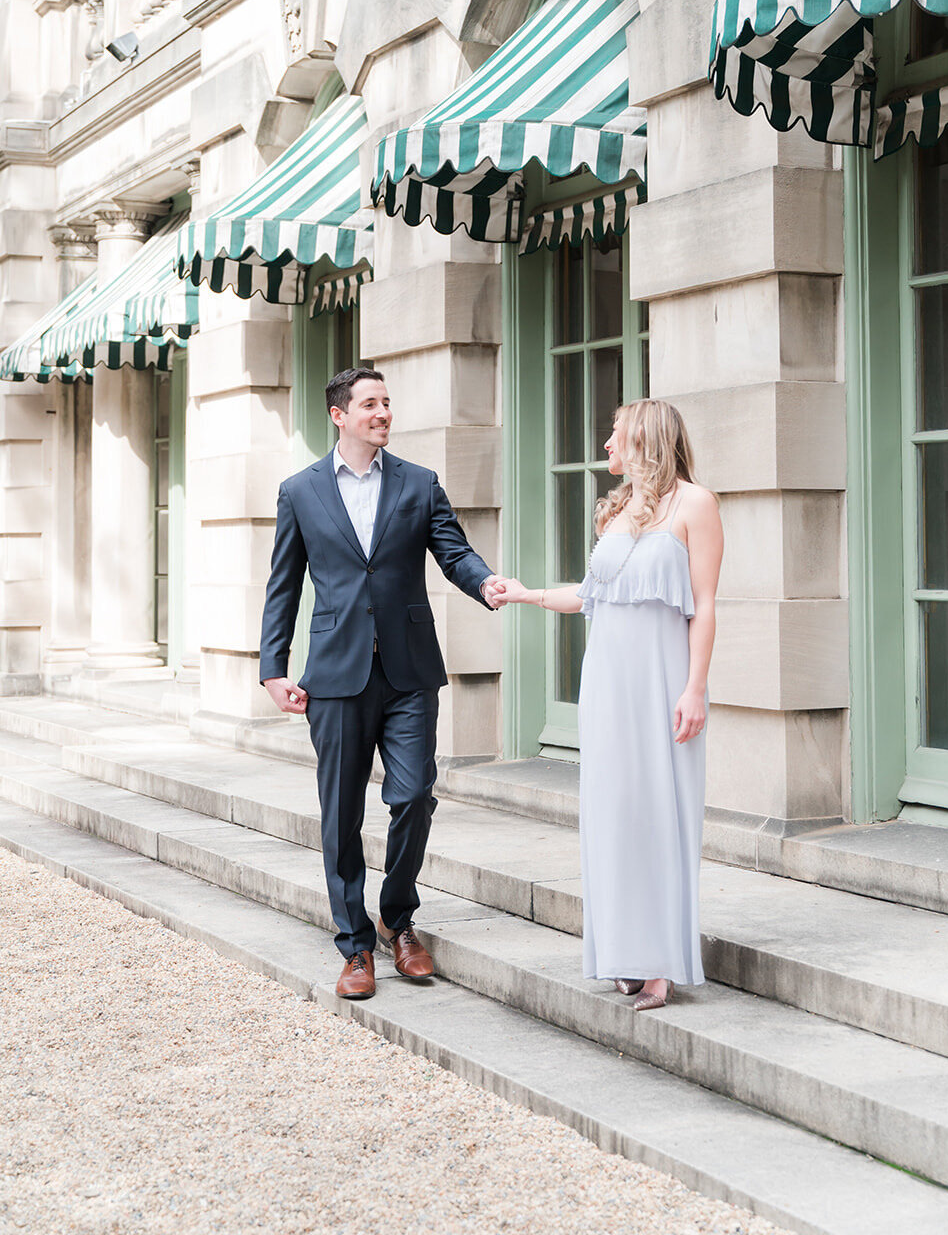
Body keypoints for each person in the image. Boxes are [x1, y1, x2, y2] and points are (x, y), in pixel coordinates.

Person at [259, 366, 507, 1002]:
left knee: (415, 793)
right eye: (370, 404)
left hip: (407, 672)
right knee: (341, 812)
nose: (383, 413)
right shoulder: (301, 491)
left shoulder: (419, 484)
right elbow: (284, 584)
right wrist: (272, 666)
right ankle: (354, 944)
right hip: (336, 675)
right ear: (339, 415)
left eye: (387, 403)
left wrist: (484, 582)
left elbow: (454, 551)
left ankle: (398, 918)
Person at [494, 399, 722, 1011]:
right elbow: (591, 597)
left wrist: (695, 688)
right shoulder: (616, 513)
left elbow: (704, 605)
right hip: (607, 682)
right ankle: (623, 952)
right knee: (613, 814)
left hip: (663, 679)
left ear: (645, 439)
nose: (606, 448)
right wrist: (524, 594)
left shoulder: (696, 505)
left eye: (615, 436)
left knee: (658, 811)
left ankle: (660, 966)